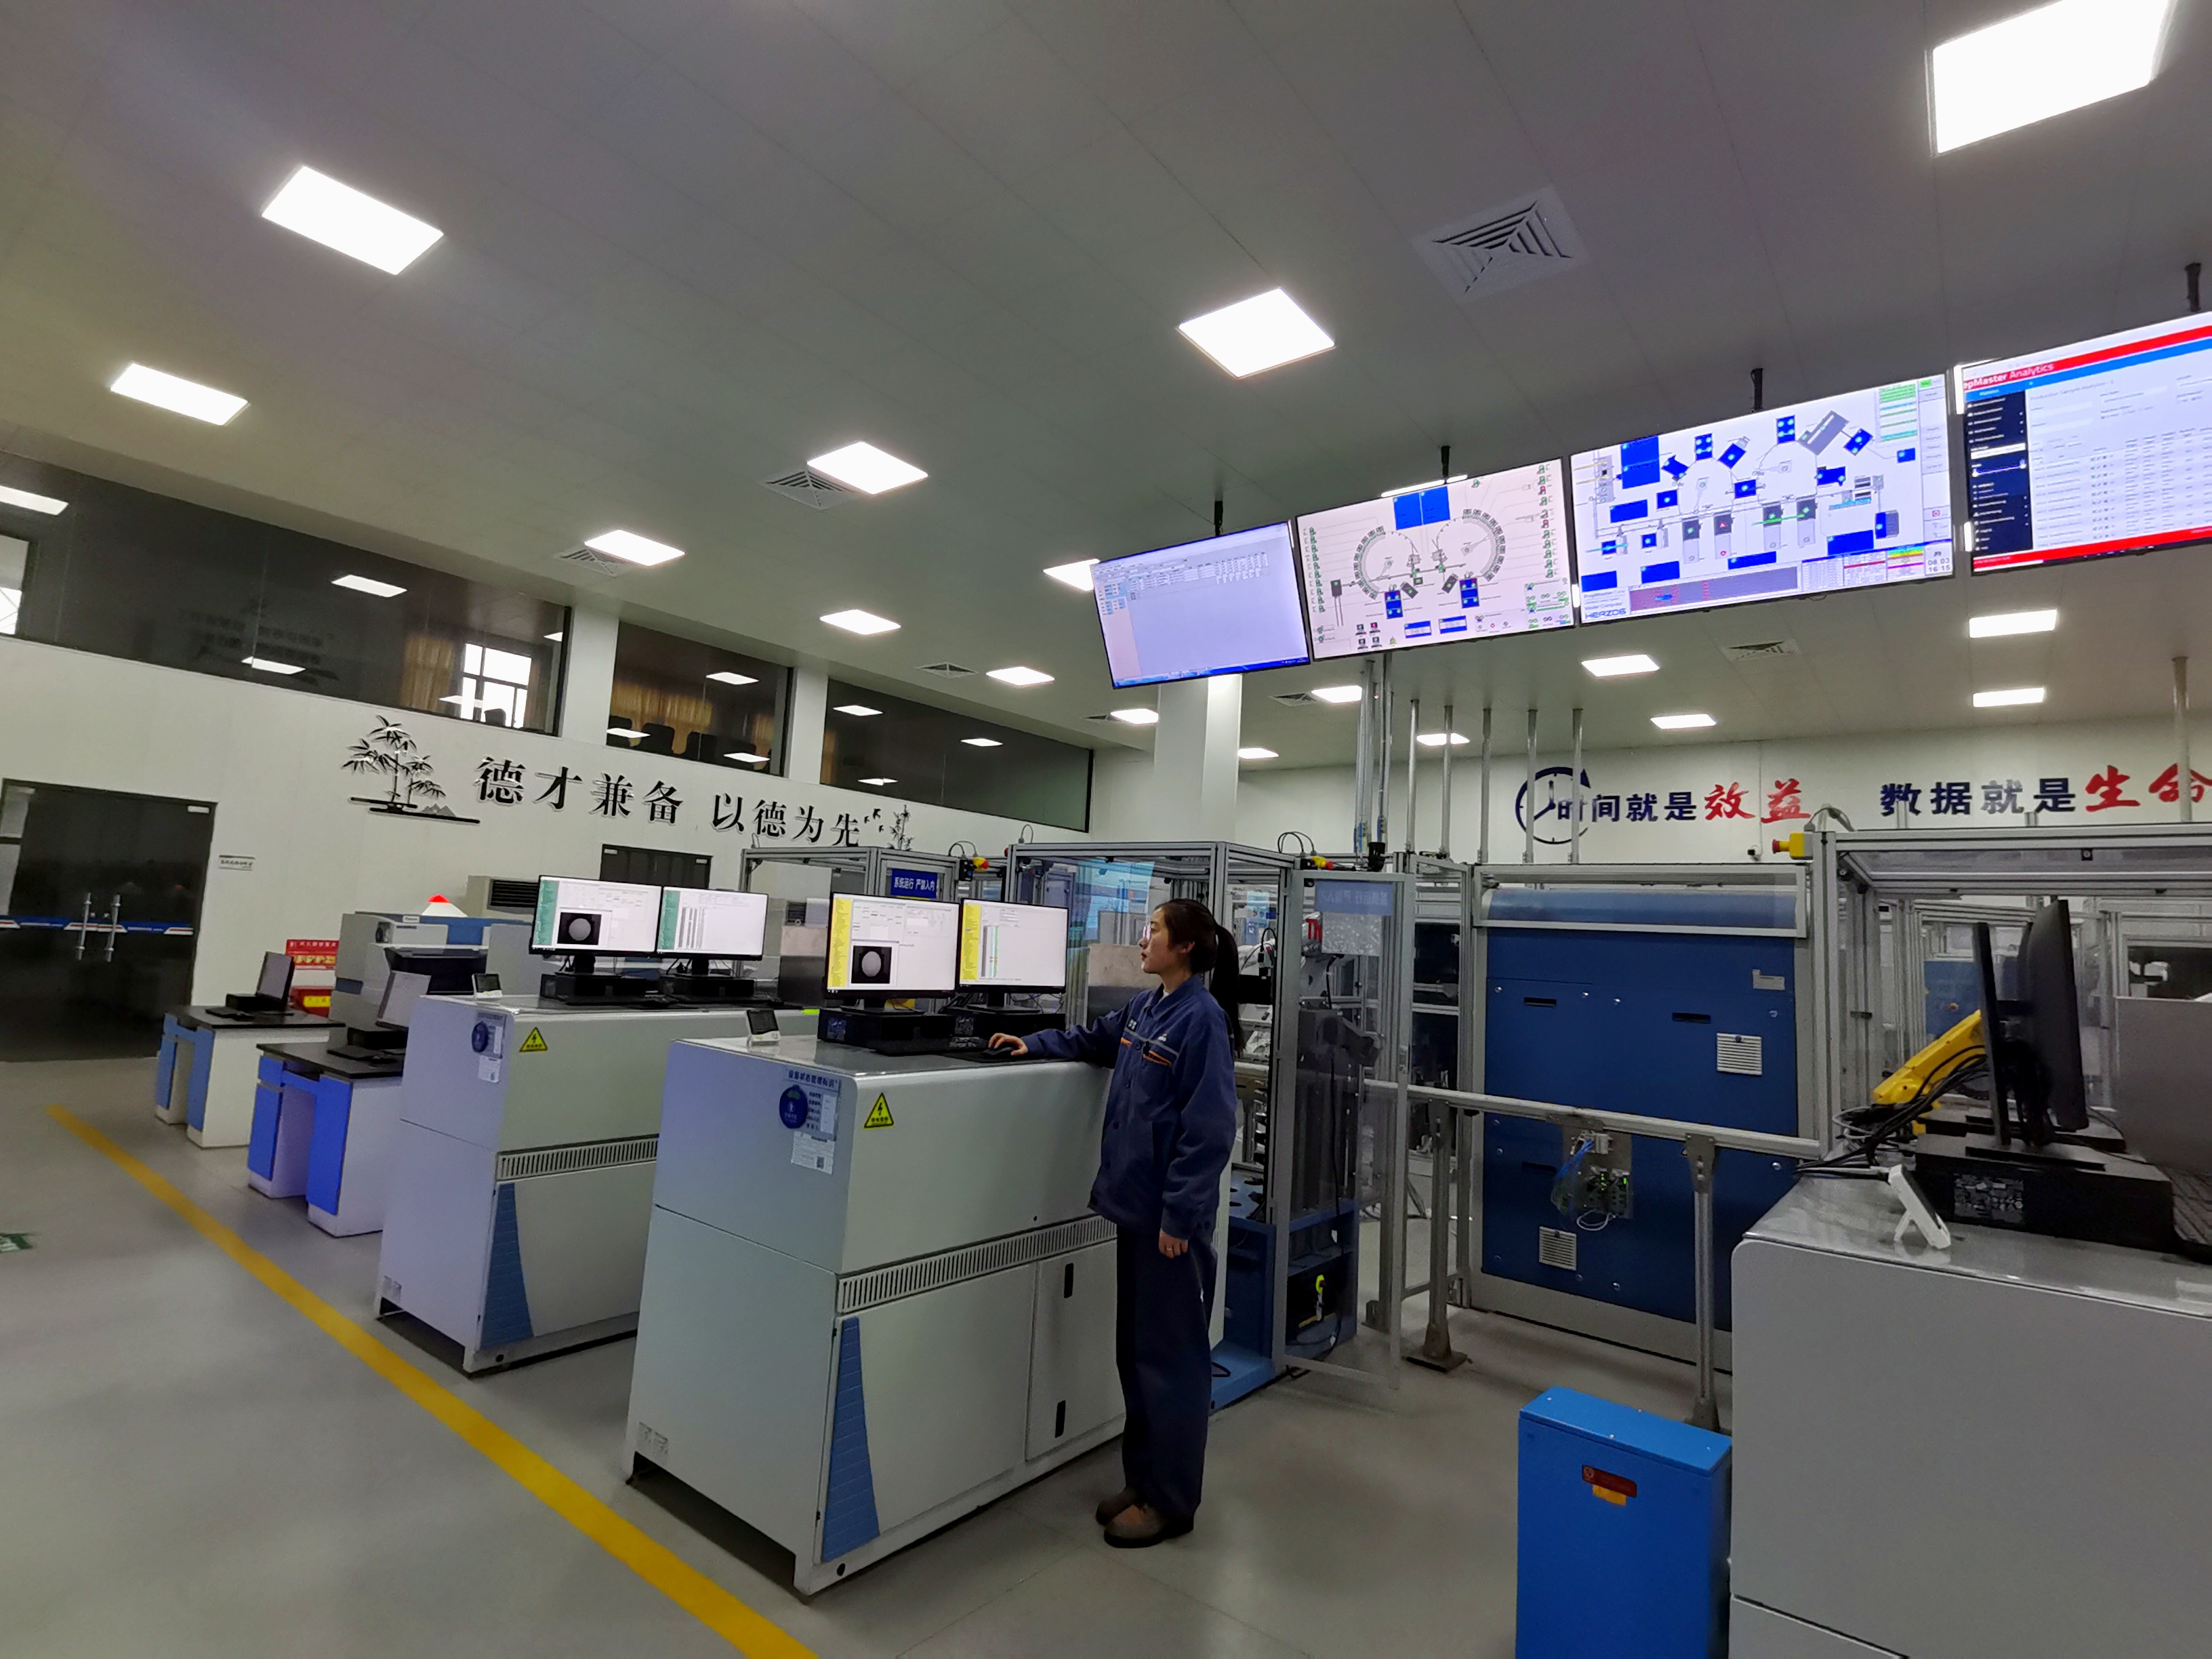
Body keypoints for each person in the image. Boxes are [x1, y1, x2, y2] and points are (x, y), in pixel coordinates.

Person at [989, 897, 1241, 1549]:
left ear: (1184, 947)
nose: (1143, 940)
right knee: (1137, 1355)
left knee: (1172, 1363)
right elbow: (1095, 1040)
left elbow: (1210, 1130)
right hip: (1134, 1210)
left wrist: (1180, 1216)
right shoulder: (1147, 1008)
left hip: (1168, 1225)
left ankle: (1171, 1501)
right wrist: (1033, 1042)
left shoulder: (1202, 1020)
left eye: (1153, 930)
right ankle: (1143, 1479)